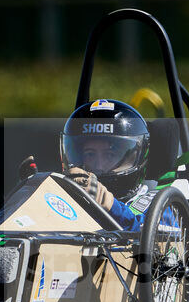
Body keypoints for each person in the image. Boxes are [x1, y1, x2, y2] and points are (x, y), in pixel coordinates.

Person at [59, 98, 160, 230]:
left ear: (132, 158)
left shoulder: (158, 203)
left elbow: (149, 234)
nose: (99, 166)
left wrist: (109, 204)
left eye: (109, 155)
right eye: (90, 154)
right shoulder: (67, 201)